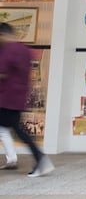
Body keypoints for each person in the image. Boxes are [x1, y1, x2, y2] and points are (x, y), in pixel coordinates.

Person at [0, 22, 54, 177]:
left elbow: (2, 73)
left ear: (3, 35)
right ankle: (39, 158)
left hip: (6, 97)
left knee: (18, 130)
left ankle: (40, 158)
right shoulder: (24, 50)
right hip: (17, 97)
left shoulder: (8, 51)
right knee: (16, 129)